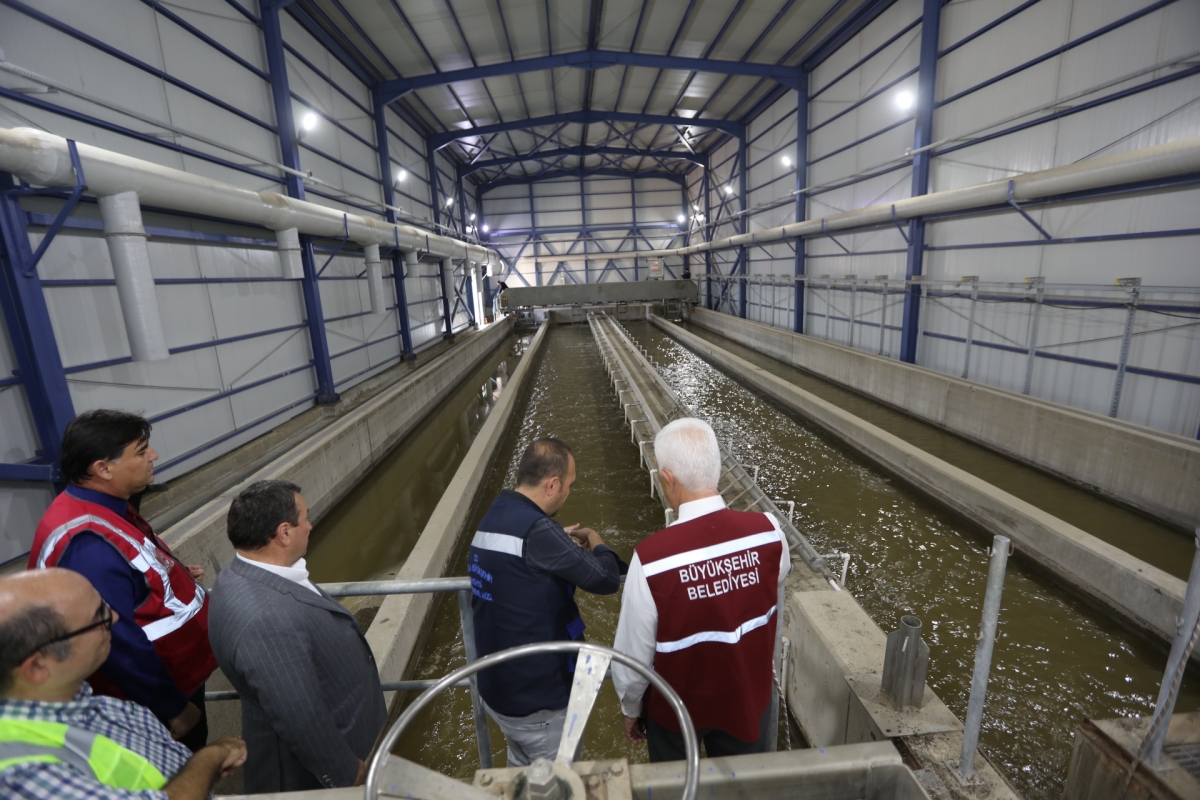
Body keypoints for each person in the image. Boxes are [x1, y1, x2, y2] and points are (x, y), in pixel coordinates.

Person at [28, 409, 216, 753]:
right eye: (141, 451)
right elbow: (116, 640)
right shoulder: (87, 544)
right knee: (185, 771)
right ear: (103, 468)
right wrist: (173, 708)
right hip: (154, 703)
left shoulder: (104, 507)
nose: (153, 455)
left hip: (175, 677)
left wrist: (170, 574)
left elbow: (129, 570)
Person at [611, 417, 790, 762]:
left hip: (676, 714)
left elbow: (633, 657)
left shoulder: (650, 560)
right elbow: (773, 578)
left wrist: (631, 709)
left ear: (668, 478)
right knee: (744, 783)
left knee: (678, 784)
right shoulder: (769, 533)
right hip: (747, 702)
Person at [0, 569, 246, 800]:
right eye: (98, 616)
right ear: (37, 667)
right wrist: (210, 759)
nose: (115, 617)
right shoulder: (19, 772)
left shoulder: (88, 702)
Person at [207, 480, 386, 793]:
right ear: (284, 533)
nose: (311, 525)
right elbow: (299, 715)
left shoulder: (242, 573)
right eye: (305, 518)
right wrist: (344, 772)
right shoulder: (266, 619)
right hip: (307, 778)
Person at [469, 438, 626, 766]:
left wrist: (555, 541)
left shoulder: (495, 514)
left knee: (521, 771)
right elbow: (606, 579)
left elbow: (517, 564)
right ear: (552, 485)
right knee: (557, 782)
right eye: (569, 485)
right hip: (539, 701)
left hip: (499, 689)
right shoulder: (537, 531)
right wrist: (595, 540)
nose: (569, 492)